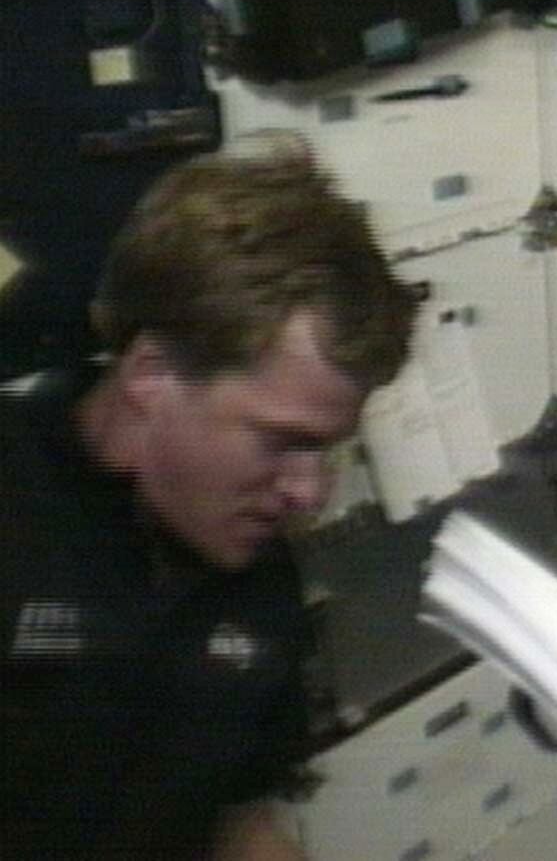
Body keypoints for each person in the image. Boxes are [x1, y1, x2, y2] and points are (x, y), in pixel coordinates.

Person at [1, 146, 418, 860]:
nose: (310, 492)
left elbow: (234, 819)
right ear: (152, 372)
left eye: (330, 449)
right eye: (282, 440)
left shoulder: (258, 577)